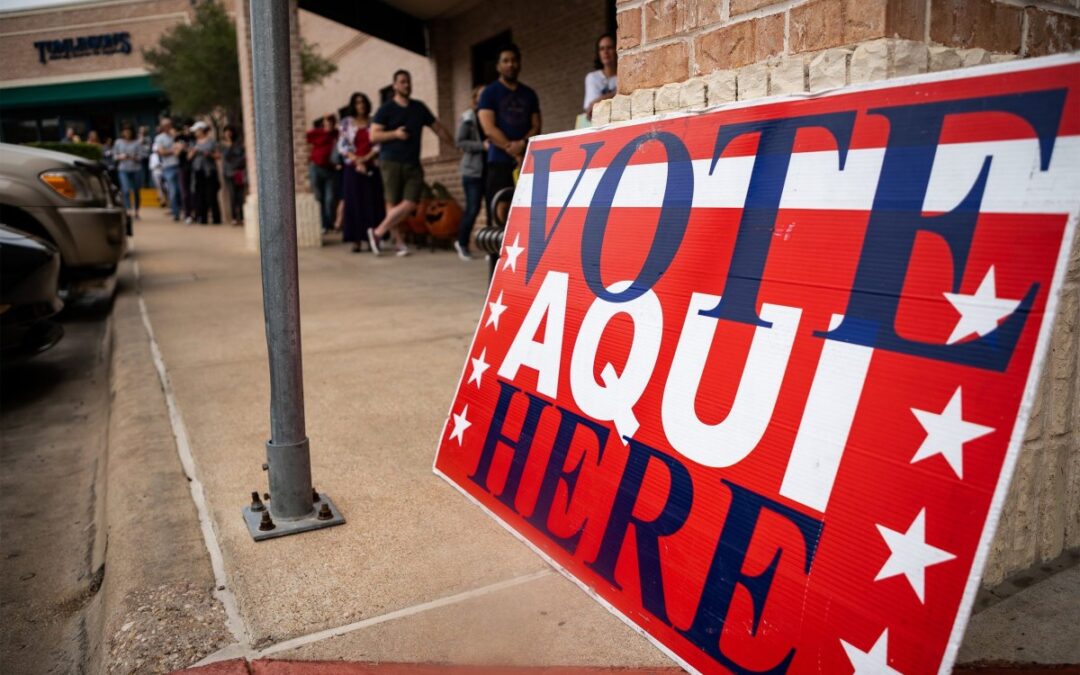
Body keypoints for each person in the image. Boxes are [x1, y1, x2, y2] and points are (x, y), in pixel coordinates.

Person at [366, 69, 455, 257]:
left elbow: (437, 128)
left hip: (413, 162)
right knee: (392, 202)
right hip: (390, 161)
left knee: (411, 202)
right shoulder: (386, 109)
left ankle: (378, 232)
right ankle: (399, 243)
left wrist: (454, 145)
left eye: (408, 81)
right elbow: (373, 136)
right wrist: (395, 134)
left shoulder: (419, 108)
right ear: (395, 86)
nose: (407, 85)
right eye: (402, 82)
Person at [477, 43, 541, 225]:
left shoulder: (529, 94)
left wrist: (522, 144)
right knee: (500, 206)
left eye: (514, 60)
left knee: (526, 206)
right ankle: (496, 252)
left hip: (527, 159)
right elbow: (488, 128)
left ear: (519, 64)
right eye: (505, 61)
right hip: (499, 159)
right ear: (498, 66)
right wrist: (511, 148)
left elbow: (536, 125)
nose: (510, 64)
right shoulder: (489, 93)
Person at [336, 93, 385, 253]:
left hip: (371, 166)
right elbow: (342, 145)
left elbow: (378, 145)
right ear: (353, 105)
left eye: (363, 102)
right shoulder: (346, 123)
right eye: (357, 102)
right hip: (353, 169)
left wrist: (366, 159)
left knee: (372, 202)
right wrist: (357, 161)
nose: (361, 105)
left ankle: (373, 239)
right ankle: (356, 240)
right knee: (354, 203)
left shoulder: (373, 122)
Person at [454, 85, 488, 261]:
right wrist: (480, 146)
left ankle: (491, 248)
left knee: (492, 209)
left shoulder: (492, 115)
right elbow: (460, 141)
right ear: (475, 98)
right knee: (473, 208)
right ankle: (462, 243)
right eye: (481, 95)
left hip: (489, 169)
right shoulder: (468, 117)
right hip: (472, 171)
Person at [306, 113, 339, 233]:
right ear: (324, 123)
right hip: (316, 167)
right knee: (319, 197)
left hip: (330, 170)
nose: (329, 124)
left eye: (331, 122)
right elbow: (302, 138)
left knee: (330, 198)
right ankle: (323, 224)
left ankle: (330, 222)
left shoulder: (336, 134)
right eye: (327, 122)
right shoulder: (317, 132)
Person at [187, 121, 221, 225]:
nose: (195, 133)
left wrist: (209, 154)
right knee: (200, 195)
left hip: (210, 171)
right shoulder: (194, 143)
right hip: (198, 171)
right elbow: (188, 157)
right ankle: (202, 218)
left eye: (197, 131)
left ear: (202, 130)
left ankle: (216, 219)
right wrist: (194, 151)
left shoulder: (212, 142)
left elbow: (218, 155)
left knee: (211, 195)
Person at [152, 117, 184, 221]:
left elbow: (182, 148)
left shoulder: (176, 136)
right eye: (165, 125)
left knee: (182, 191)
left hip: (180, 165)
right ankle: (176, 213)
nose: (167, 127)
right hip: (168, 167)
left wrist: (175, 141)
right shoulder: (159, 138)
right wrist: (174, 150)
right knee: (173, 191)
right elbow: (161, 152)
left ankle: (185, 212)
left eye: (169, 125)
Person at [113, 125, 147, 219]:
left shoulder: (137, 143)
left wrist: (134, 157)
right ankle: (128, 210)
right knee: (126, 189)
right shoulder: (118, 142)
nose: (127, 133)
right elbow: (114, 156)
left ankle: (136, 211)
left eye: (129, 131)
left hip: (136, 169)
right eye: (125, 131)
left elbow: (142, 156)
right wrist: (121, 156)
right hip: (123, 169)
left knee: (136, 191)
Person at [584, 33, 618, 120]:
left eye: (609, 48)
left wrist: (600, 99)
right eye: (602, 49)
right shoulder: (592, 77)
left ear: (616, 49)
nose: (605, 52)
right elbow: (591, 110)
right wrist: (616, 93)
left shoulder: (623, 76)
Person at [220, 125, 246, 225]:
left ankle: (242, 217)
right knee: (232, 195)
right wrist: (229, 145)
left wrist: (236, 166)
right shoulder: (223, 145)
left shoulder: (238, 144)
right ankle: (234, 218)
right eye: (226, 132)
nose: (228, 133)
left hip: (238, 172)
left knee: (240, 195)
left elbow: (241, 157)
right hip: (228, 173)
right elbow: (226, 157)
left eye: (229, 131)